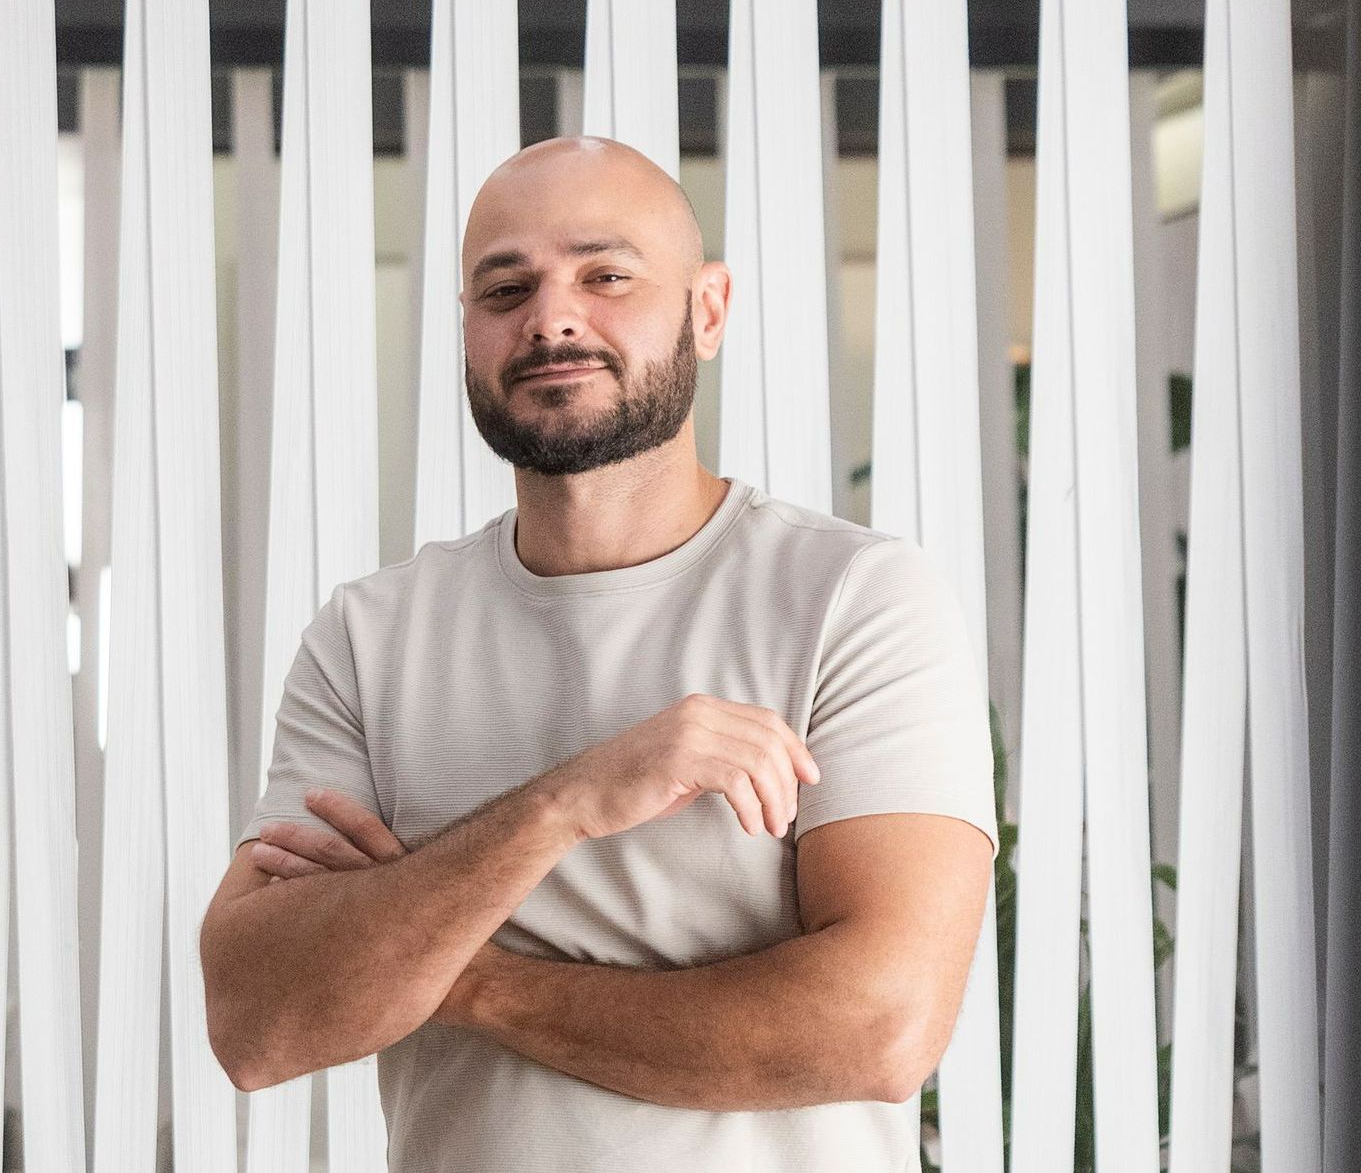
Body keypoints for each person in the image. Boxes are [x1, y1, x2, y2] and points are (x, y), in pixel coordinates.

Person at [200, 135, 999, 1172]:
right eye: (504, 288)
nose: (551, 317)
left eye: (605, 274)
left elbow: (876, 1027)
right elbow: (259, 1021)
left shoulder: (853, 598)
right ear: (467, 333)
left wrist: (457, 971)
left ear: (705, 310)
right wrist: (566, 803)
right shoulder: (370, 633)